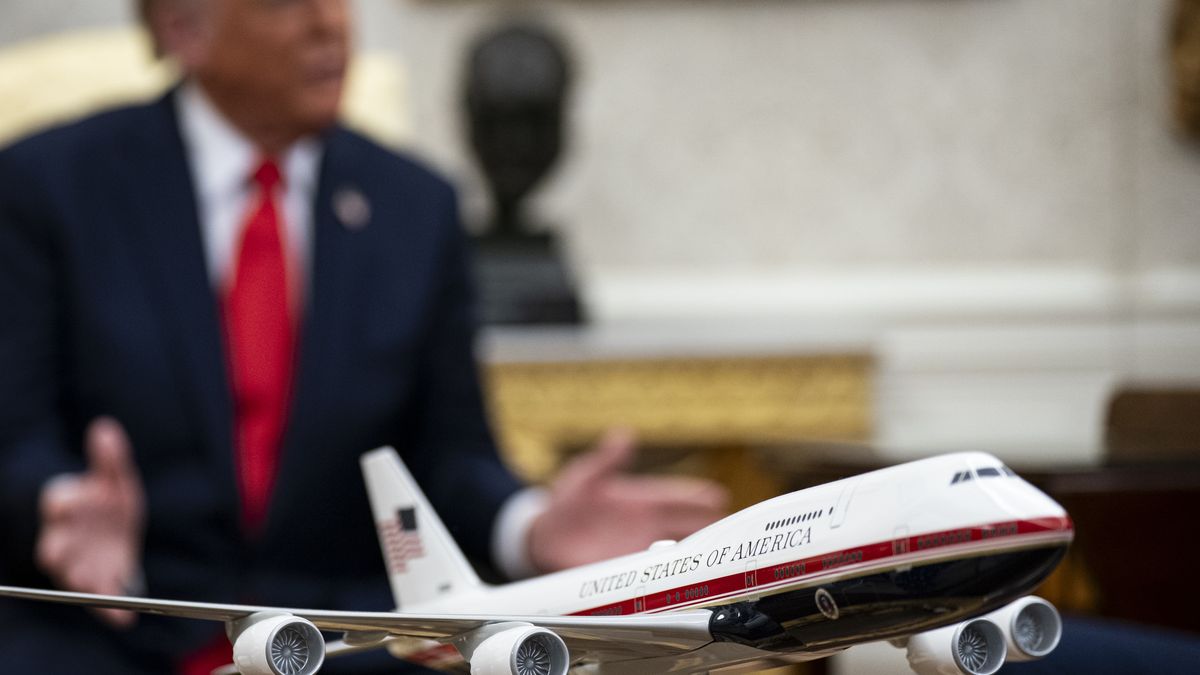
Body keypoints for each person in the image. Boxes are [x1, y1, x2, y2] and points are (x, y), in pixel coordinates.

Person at [0, 1, 727, 673]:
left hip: (347, 635)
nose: (330, 24)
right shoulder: (49, 186)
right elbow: (15, 428)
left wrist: (531, 526)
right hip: (117, 624)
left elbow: (453, 457)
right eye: (287, 1)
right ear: (184, 28)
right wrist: (59, 498)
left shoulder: (417, 205)